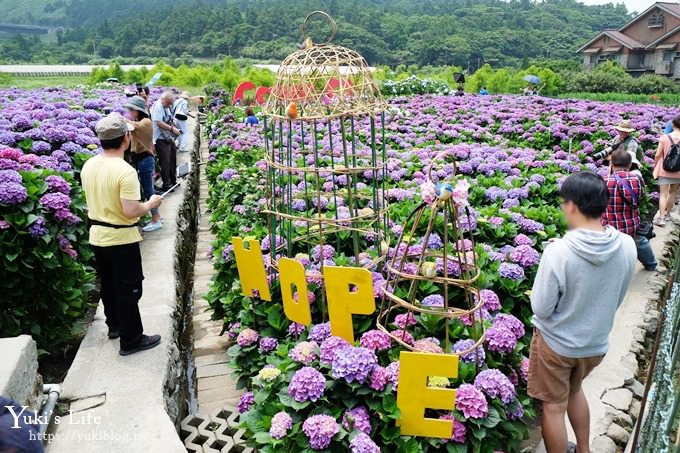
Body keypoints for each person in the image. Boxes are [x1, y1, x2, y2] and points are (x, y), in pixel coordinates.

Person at [529, 171, 636, 453]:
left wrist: (552, 259)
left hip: (557, 346)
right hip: (595, 345)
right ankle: (585, 449)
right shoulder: (627, 245)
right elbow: (618, 294)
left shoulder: (558, 252)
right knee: (575, 390)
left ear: (573, 206)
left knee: (553, 406)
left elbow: (540, 307)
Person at [81, 114, 163, 356]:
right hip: (121, 238)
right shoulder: (124, 171)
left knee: (108, 284)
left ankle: (114, 326)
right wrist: (151, 204)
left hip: (97, 235)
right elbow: (130, 212)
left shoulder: (90, 165)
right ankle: (132, 339)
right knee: (128, 288)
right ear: (126, 138)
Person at [602, 150, 657, 271]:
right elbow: (641, 197)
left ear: (611, 164)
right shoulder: (637, 179)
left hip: (609, 228)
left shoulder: (604, 181)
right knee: (640, 242)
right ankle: (651, 265)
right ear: (630, 165)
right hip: (631, 225)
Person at [124, 95, 162, 232]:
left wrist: (119, 119)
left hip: (145, 160)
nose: (129, 111)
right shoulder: (137, 120)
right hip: (140, 159)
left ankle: (156, 219)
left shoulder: (145, 122)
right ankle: (155, 216)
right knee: (147, 189)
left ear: (137, 110)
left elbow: (133, 127)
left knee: (149, 190)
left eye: (131, 109)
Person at [653, 114, 680, 226]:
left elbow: (658, 154)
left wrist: (656, 165)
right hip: (678, 171)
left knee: (663, 194)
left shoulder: (664, 137)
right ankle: (668, 215)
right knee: (672, 192)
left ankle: (662, 219)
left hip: (664, 169)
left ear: (673, 124)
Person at [152, 91, 180, 192]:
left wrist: (176, 128)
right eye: (169, 102)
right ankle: (166, 184)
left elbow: (170, 120)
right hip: (160, 138)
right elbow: (159, 123)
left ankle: (173, 181)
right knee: (165, 162)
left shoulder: (165, 106)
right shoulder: (158, 106)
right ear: (163, 99)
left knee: (172, 159)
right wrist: (172, 129)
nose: (170, 105)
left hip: (167, 137)